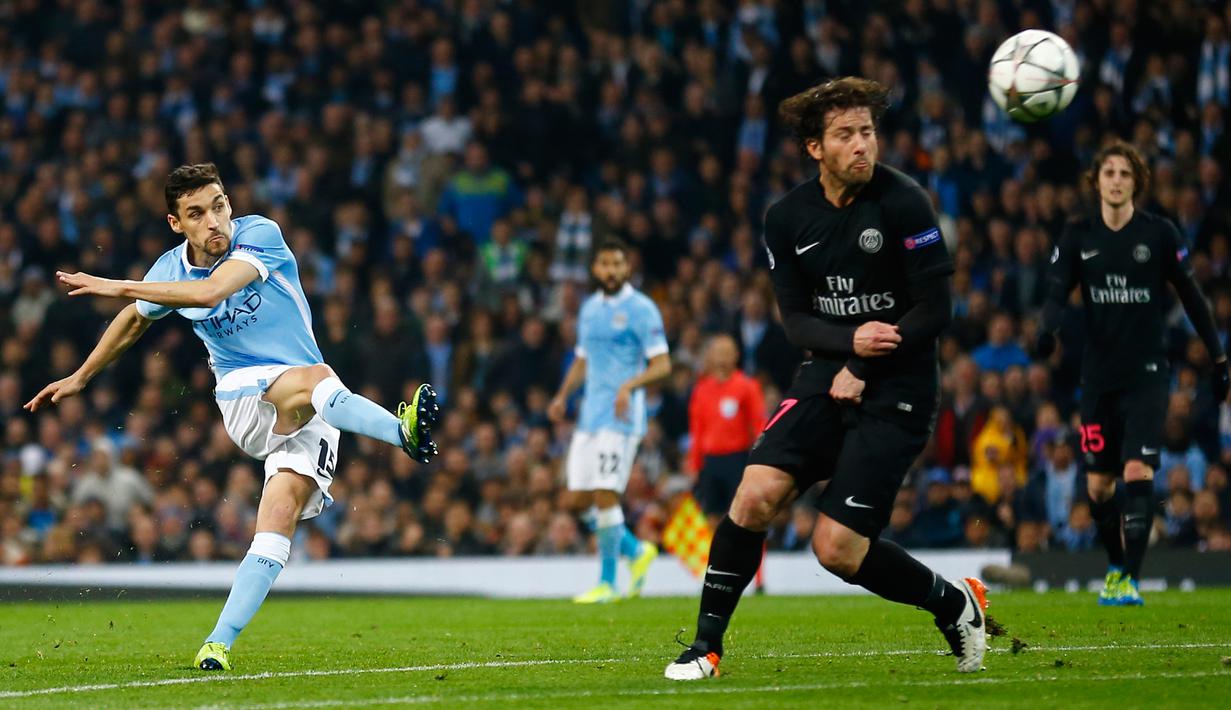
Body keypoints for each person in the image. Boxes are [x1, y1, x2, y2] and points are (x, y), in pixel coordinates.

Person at [24, 163, 441, 671]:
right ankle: (403, 433)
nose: (214, 222)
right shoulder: (170, 269)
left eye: (219, 205)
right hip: (246, 397)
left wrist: (119, 285)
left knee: (277, 520)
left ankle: (217, 644)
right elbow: (134, 321)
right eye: (197, 214)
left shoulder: (260, 235)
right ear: (176, 223)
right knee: (317, 376)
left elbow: (208, 294)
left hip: (311, 404)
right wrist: (82, 376)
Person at [665, 77, 989, 681]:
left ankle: (954, 603)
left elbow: (936, 309)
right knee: (754, 494)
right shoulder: (786, 217)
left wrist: (865, 362)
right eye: (846, 135)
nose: (862, 145)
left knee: (836, 550)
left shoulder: (905, 202)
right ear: (815, 147)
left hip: (901, 388)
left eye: (867, 131)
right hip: (826, 372)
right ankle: (706, 647)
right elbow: (795, 321)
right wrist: (848, 349)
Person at [1036, 141, 1230, 606]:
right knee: (1098, 486)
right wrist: (1047, 330)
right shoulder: (1079, 235)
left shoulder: (1159, 234)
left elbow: (1192, 296)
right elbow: (1057, 290)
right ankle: (1117, 565)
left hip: (1147, 375)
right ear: (1097, 181)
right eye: (1110, 173)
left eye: (1126, 173)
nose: (1118, 180)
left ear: (1136, 182)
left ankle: (1131, 580)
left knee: (1138, 468)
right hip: (1098, 378)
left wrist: (1219, 357)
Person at [548, 237, 671, 603]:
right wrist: (562, 396)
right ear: (594, 269)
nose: (612, 270)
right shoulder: (589, 310)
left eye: (618, 263)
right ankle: (636, 552)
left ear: (627, 268)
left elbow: (662, 364)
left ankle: (608, 582)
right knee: (575, 500)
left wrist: (629, 386)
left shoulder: (643, 309)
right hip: (590, 416)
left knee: (605, 493)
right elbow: (583, 359)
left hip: (621, 418)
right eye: (605, 264)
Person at [687, 333, 766, 527]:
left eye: (726, 353)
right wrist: (695, 463)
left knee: (741, 513)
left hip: (737, 458)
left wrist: (761, 460)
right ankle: (715, 556)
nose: (722, 358)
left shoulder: (747, 386)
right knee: (712, 515)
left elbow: (759, 425)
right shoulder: (701, 389)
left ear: (736, 355)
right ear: (711, 356)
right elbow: (697, 430)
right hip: (711, 461)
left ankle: (746, 556)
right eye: (718, 353)